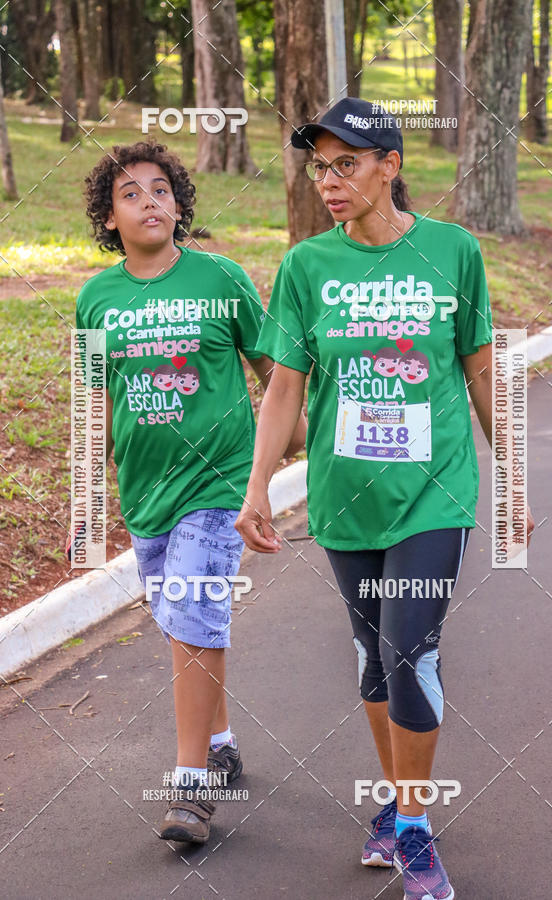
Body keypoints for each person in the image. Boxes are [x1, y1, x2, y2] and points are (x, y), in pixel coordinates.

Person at [235, 98, 534, 899]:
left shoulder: (453, 251)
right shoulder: (307, 266)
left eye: (346, 164)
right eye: (318, 168)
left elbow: (481, 370)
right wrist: (258, 485)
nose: (328, 182)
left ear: (389, 165)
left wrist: (513, 479)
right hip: (344, 497)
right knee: (373, 656)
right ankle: (399, 805)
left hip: (435, 491)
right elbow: (286, 387)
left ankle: (413, 823)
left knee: (408, 649)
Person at [75, 140, 305, 845]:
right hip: (146, 493)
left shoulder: (221, 277)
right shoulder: (95, 298)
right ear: (109, 218)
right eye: (131, 194)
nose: (149, 202)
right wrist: (86, 503)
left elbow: (277, 374)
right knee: (184, 625)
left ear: (179, 205)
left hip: (219, 482)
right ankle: (222, 745)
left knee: (195, 609)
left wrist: (299, 455)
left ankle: (191, 787)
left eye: (161, 190)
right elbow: (93, 403)